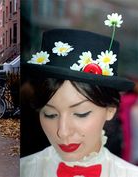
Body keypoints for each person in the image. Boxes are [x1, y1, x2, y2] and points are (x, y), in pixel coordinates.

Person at [20, 13, 138, 176]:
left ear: (110, 109)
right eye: (50, 114)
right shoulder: (25, 169)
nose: (63, 132)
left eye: (81, 114)